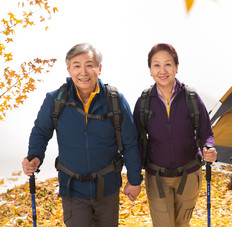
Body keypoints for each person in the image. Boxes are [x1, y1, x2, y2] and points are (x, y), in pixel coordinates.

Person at [22, 43, 142, 227]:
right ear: (69, 70)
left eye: (89, 65)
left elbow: (130, 143)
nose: (83, 72)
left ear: (99, 68)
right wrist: (35, 156)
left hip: (107, 188)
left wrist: (134, 180)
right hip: (72, 189)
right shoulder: (56, 100)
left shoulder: (115, 100)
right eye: (77, 66)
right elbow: (41, 132)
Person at [133, 43, 217, 227]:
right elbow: (137, 141)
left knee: (182, 224)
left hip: (189, 175)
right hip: (157, 178)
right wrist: (134, 178)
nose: (162, 70)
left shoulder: (191, 98)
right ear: (150, 70)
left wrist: (209, 148)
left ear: (176, 67)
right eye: (156, 65)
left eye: (168, 64)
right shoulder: (144, 102)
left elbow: (206, 133)